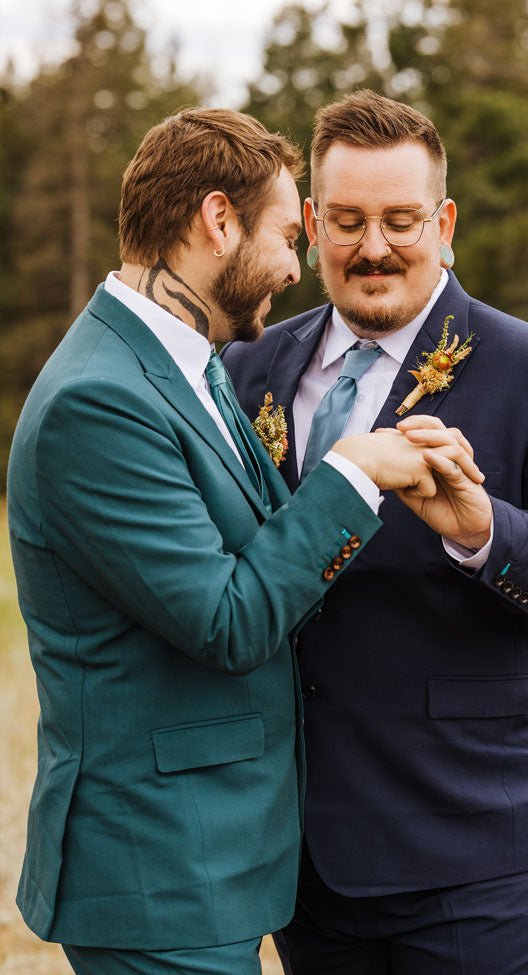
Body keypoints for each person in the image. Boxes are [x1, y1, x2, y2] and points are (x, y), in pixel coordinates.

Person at [6, 107, 480, 975]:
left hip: (215, 861)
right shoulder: (98, 401)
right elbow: (227, 620)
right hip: (157, 869)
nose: (296, 265)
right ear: (218, 222)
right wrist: (356, 470)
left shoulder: (191, 363)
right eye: (279, 233)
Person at [222, 90, 528, 975]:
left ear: (444, 221)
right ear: (309, 223)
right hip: (309, 849)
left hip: (491, 843)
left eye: (400, 220)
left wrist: (487, 531)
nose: (373, 247)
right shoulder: (247, 368)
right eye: (346, 221)